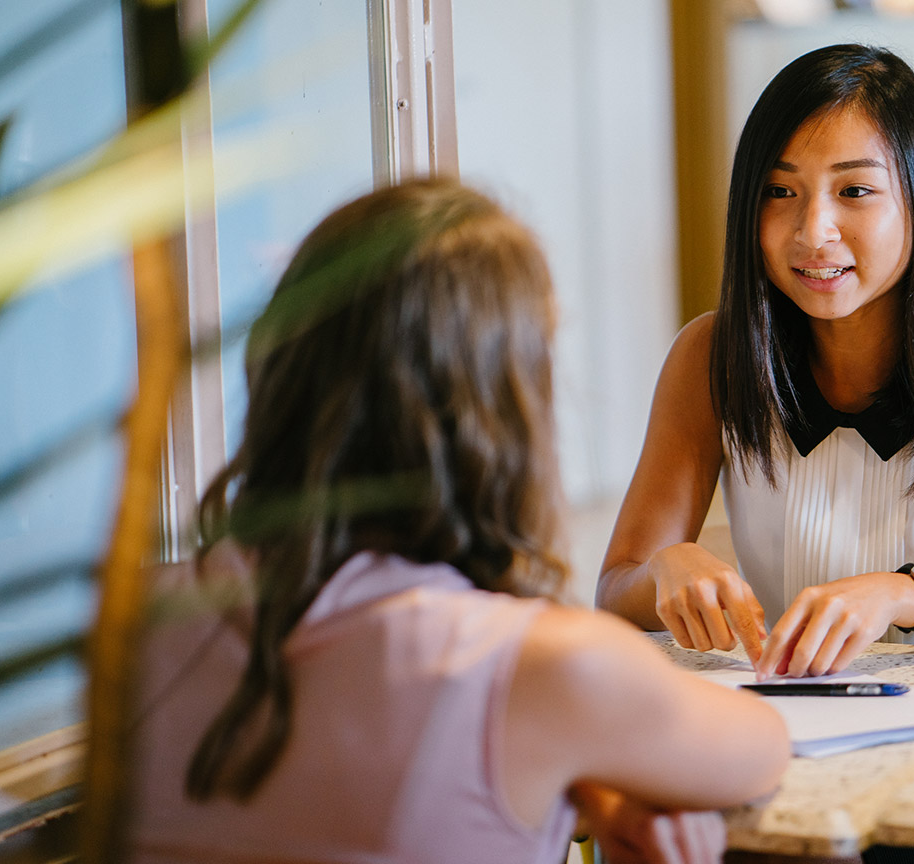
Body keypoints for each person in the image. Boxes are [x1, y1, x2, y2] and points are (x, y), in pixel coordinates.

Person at [128, 180, 790, 864]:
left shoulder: (136, 622)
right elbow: (761, 747)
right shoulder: (548, 664)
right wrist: (591, 769)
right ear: (498, 412)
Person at [597, 44, 914, 681]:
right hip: (789, 729)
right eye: (780, 191)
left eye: (856, 190)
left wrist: (908, 595)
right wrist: (667, 568)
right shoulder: (711, 357)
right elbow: (617, 589)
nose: (814, 231)